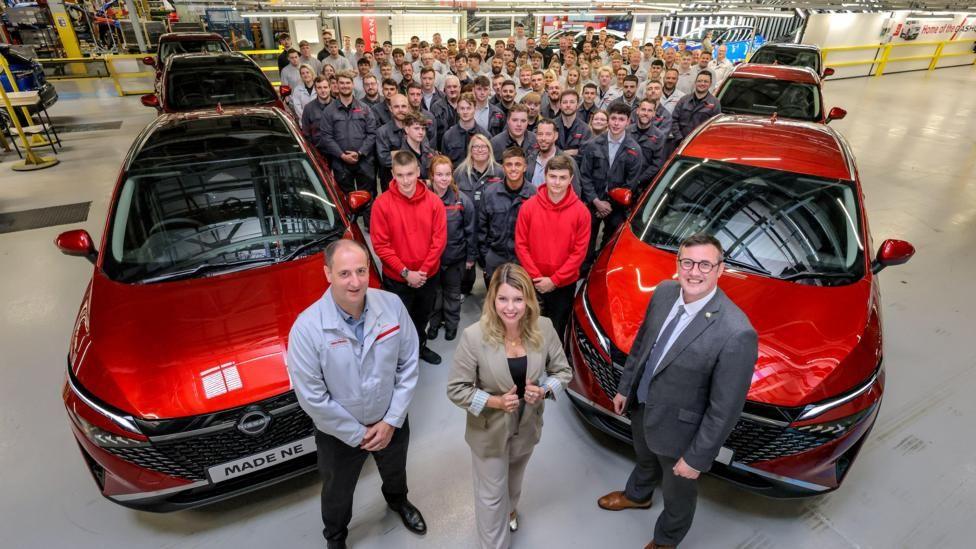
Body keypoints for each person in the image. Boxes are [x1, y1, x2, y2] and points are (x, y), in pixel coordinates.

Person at [598, 234, 758, 549]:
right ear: (678, 264)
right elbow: (644, 344)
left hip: (681, 433)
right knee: (643, 456)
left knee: (677, 492)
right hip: (643, 405)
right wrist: (625, 387)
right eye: (687, 262)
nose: (694, 272)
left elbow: (724, 409)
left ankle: (667, 539)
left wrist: (696, 458)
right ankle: (638, 496)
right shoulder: (665, 292)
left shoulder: (736, 332)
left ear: (720, 269)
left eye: (705, 264)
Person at [287, 239, 427, 549]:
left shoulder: (391, 306)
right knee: (338, 490)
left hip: (390, 418)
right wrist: (357, 433)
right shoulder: (307, 328)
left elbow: (408, 364)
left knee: (395, 469)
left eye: (361, 271)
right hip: (339, 433)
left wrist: (391, 420)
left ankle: (397, 501)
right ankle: (336, 535)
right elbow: (312, 396)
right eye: (345, 273)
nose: (355, 282)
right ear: (328, 274)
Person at [447, 262, 572, 549]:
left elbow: (563, 372)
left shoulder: (544, 327)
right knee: (491, 496)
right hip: (489, 431)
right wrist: (494, 401)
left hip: (526, 427)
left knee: (514, 481)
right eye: (503, 299)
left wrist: (543, 390)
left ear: (529, 299)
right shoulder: (474, 337)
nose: (511, 308)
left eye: (518, 299)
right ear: (492, 300)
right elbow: (456, 389)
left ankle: (511, 509)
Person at [370, 151, 447, 365]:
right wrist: (406, 272)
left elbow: (438, 241)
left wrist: (422, 272)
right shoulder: (382, 205)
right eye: (400, 175)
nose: (405, 180)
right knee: (399, 321)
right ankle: (403, 357)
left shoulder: (434, 203)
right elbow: (381, 245)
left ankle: (420, 346)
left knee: (422, 316)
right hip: (397, 280)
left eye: (410, 174)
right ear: (392, 174)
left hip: (427, 276)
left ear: (418, 172)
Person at [515, 154, 590, 339]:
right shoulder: (528, 207)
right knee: (530, 326)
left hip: (563, 285)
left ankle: (552, 363)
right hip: (533, 282)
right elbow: (521, 244)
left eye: (563, 178)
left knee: (557, 327)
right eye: (553, 176)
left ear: (571, 179)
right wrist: (536, 277)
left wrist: (554, 280)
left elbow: (579, 253)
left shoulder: (582, 212)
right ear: (545, 176)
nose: (557, 182)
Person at [579, 103, 643, 272]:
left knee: (611, 240)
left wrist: (609, 206)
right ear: (608, 120)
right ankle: (584, 270)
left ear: (628, 122)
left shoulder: (634, 150)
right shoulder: (593, 145)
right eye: (613, 118)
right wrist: (596, 201)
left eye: (621, 119)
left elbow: (631, 183)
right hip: (593, 201)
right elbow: (584, 175)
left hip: (616, 206)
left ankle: (601, 269)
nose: (616, 123)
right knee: (586, 239)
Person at [426, 156, 476, 342]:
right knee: (434, 295)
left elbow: (471, 231)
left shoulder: (461, 201)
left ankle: (451, 324)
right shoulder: (424, 199)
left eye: (447, 174)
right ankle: (434, 323)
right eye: (439, 174)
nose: (444, 179)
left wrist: (470, 257)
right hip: (431, 261)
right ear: (431, 176)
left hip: (455, 259)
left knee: (453, 294)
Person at [478, 147, 536, 284]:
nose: (513, 169)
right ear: (503, 168)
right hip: (495, 257)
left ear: (525, 167)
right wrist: (486, 258)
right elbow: (481, 228)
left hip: (523, 260)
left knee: (520, 300)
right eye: (509, 165)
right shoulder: (490, 193)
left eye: (518, 164)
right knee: (495, 300)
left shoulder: (535, 195)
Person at [318, 71, 377, 196]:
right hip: (341, 164)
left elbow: (372, 133)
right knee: (345, 199)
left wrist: (360, 152)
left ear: (353, 84)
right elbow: (326, 136)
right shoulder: (329, 111)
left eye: (348, 83)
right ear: (337, 86)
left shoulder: (365, 108)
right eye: (342, 83)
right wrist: (342, 155)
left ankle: (368, 216)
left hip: (364, 161)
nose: (345, 86)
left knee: (367, 197)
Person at [670, 70, 721, 150]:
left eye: (706, 81)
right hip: (678, 143)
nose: (702, 84)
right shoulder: (684, 100)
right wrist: (679, 138)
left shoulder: (715, 103)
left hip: (700, 146)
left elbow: (714, 129)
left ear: (710, 84)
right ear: (695, 82)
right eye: (700, 81)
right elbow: (674, 120)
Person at [629, 97, 670, 195]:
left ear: (654, 114)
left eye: (649, 110)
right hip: (623, 180)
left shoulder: (659, 136)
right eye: (643, 109)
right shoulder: (627, 131)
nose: (646, 113)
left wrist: (638, 181)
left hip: (642, 186)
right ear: (637, 111)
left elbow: (656, 165)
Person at [442, 92, 490, 167]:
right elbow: (445, 164)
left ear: (475, 109)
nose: (465, 112)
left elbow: (489, 162)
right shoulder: (448, 136)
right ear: (457, 109)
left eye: (468, 108)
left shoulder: (485, 136)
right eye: (462, 108)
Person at [375, 94, 411, 191]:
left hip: (412, 182)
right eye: (396, 106)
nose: (400, 110)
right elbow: (384, 160)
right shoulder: (382, 132)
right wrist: (409, 154)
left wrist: (395, 153)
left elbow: (423, 155)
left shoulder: (415, 129)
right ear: (390, 108)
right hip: (390, 184)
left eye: (403, 106)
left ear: (408, 108)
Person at [554, 90, 592, 156]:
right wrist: (573, 152)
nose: (568, 105)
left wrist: (557, 152)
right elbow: (546, 149)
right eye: (565, 102)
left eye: (572, 102)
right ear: (560, 105)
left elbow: (585, 154)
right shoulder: (551, 125)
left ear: (577, 105)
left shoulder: (585, 129)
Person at [402, 112, 436, 180]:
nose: (421, 132)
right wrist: (427, 182)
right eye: (416, 128)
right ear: (407, 129)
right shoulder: (400, 155)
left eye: (423, 129)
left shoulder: (430, 152)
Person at [431, 75, 462, 149]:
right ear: (444, 89)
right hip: (443, 148)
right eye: (449, 87)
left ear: (460, 88)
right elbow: (432, 133)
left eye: (455, 86)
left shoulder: (467, 105)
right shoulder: (436, 107)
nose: (452, 89)